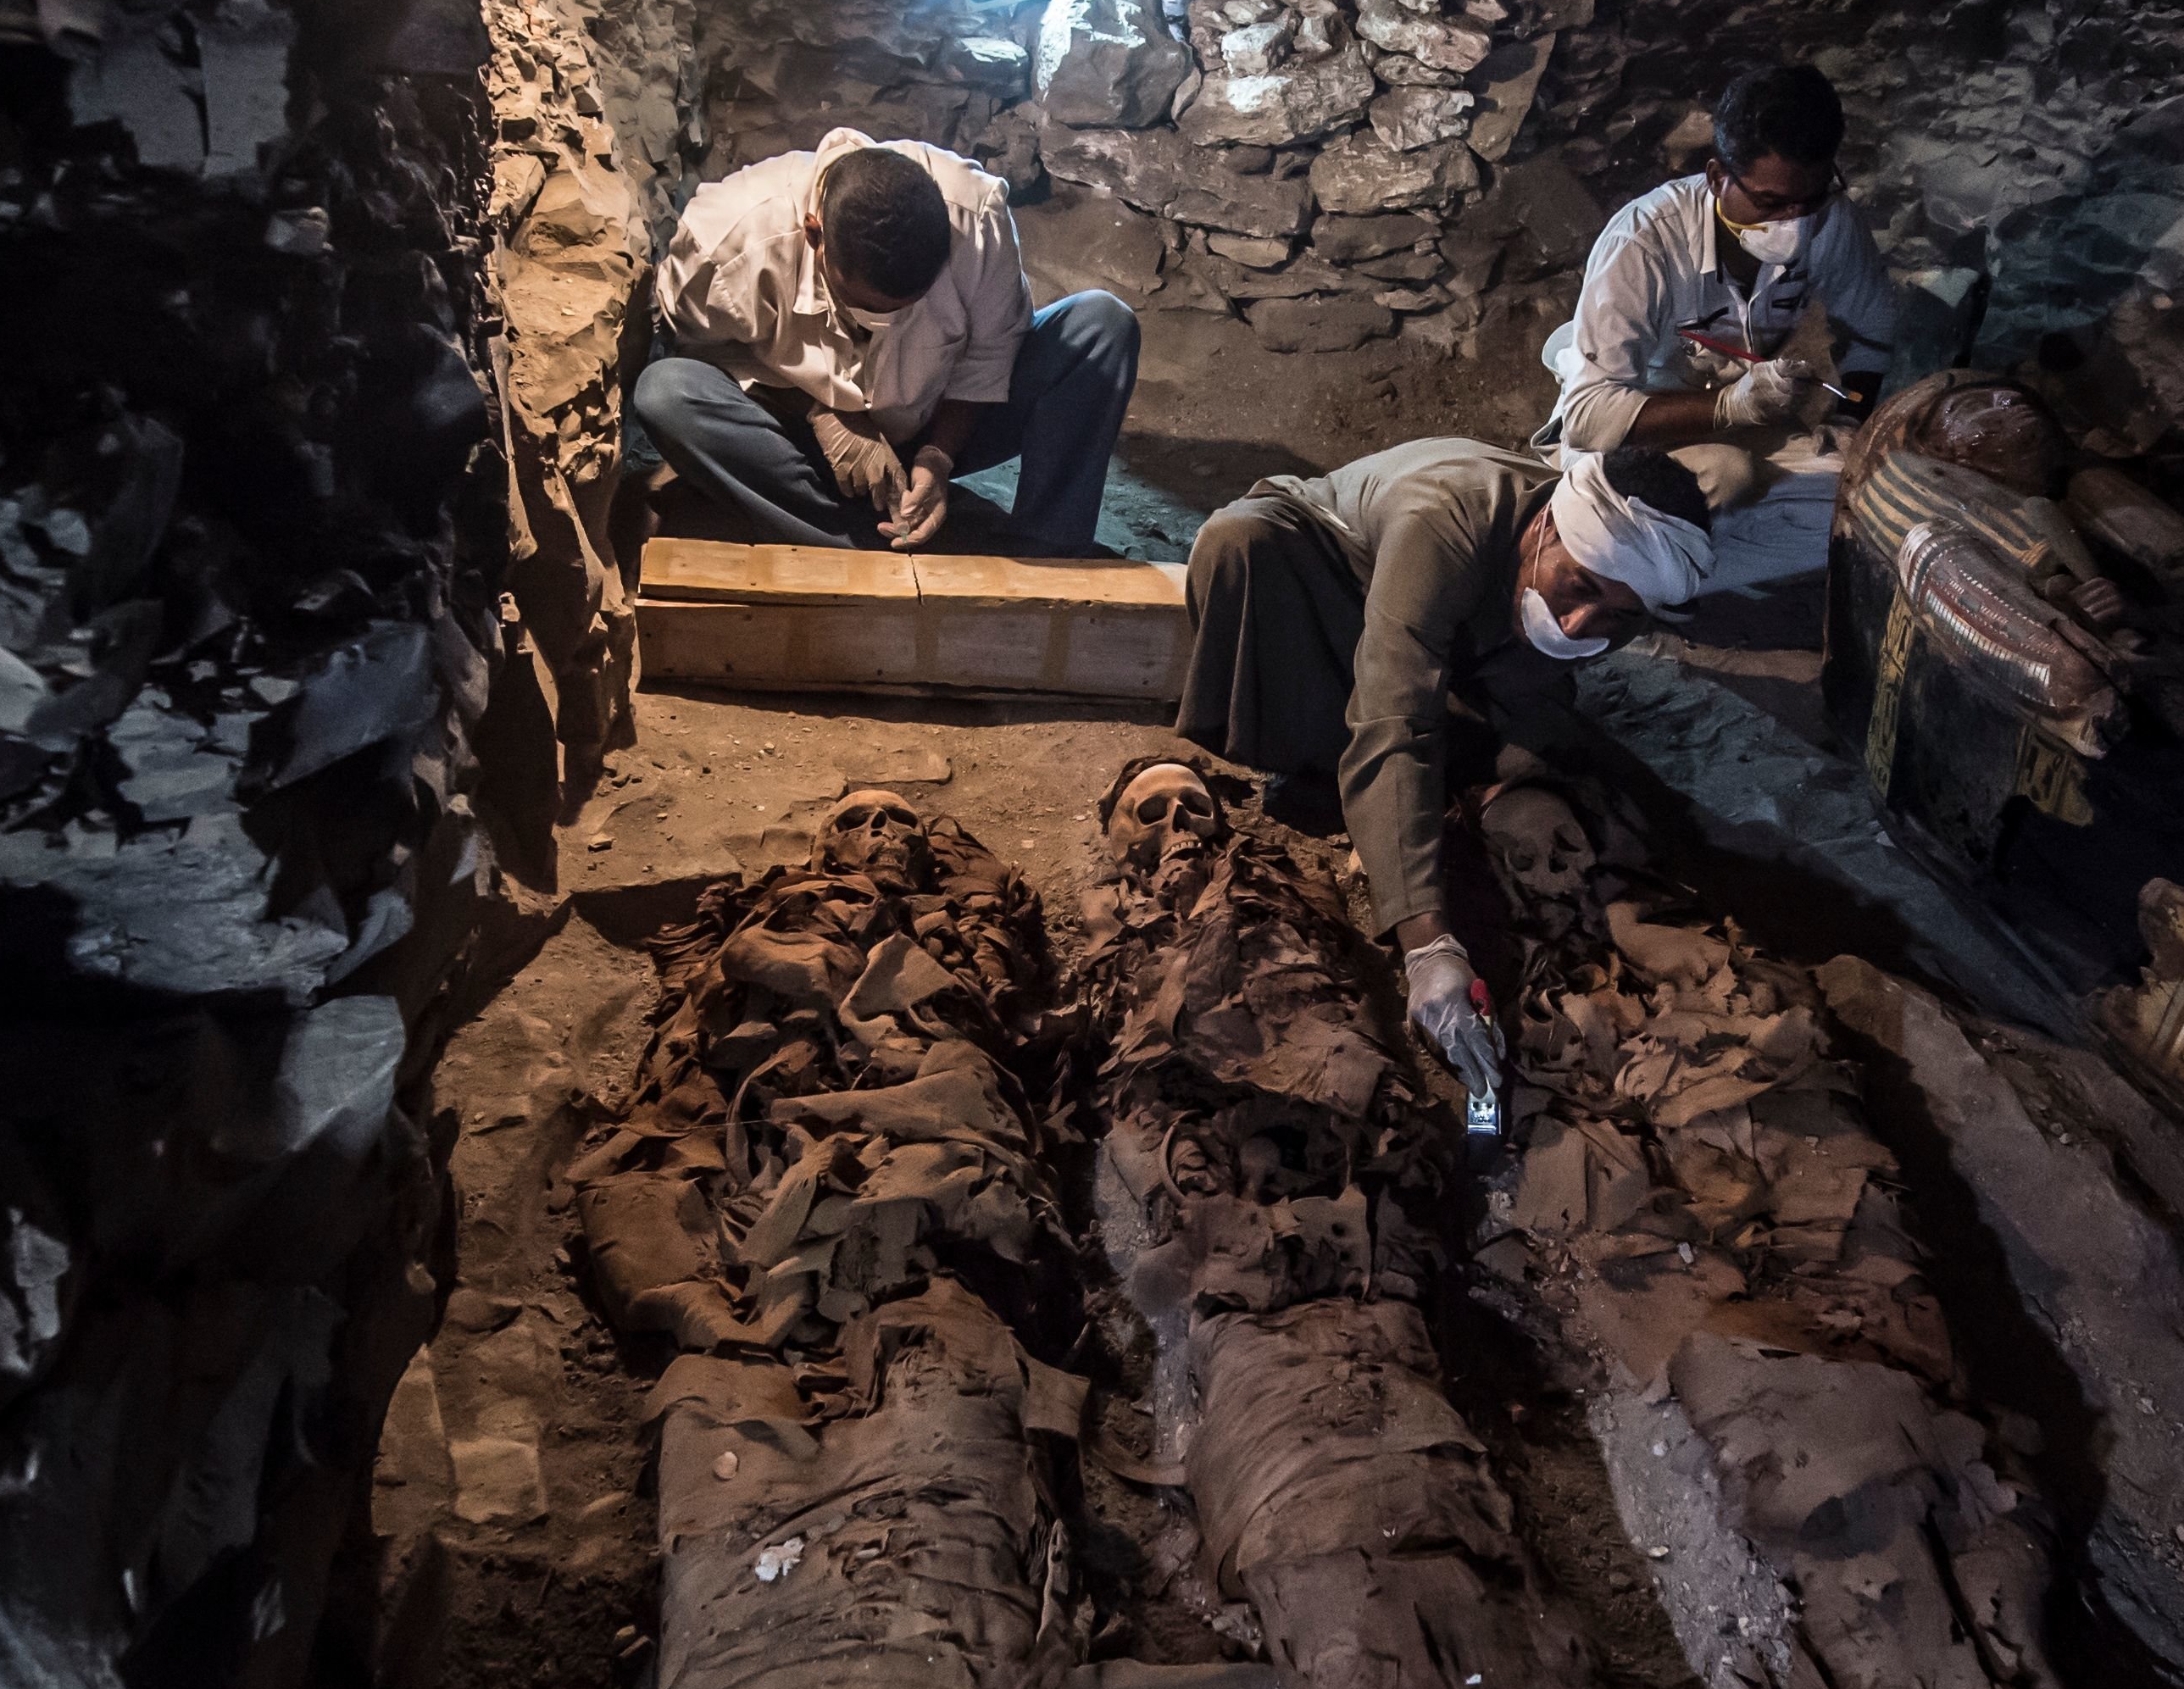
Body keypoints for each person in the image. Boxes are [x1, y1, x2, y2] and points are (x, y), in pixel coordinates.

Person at [1174, 435, 1716, 1103]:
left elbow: (1539, 682)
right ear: (1545, 526)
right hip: (1326, 572)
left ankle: (1454, 787)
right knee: (1245, 547)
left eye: (1618, 615)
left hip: (1476, 615)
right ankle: (1357, 772)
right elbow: (1393, 719)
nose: (1581, 625)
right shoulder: (1447, 520)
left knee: (1557, 750)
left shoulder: (1611, 584)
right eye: (1578, 588)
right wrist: (1428, 947)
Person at [635, 129, 1140, 554]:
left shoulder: (977, 216)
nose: (889, 323)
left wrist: (939, 457)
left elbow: (991, 355)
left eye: (909, 307)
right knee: (667, 393)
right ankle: (860, 538)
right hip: (803, 442)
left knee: (1101, 326)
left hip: (939, 420)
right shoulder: (726, 243)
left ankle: (1046, 550)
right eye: (870, 308)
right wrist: (828, 413)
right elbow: (703, 353)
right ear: (816, 237)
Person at [1532, 58, 1908, 592]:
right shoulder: (1644, 240)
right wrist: (1732, 406)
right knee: (1727, 474)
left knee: (1863, 500)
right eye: (1771, 203)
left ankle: (1659, 576)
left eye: (1811, 199)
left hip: (1737, 424)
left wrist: (1850, 425)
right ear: (1716, 177)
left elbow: (1871, 335)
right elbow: (1589, 417)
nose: (1793, 223)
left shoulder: (1830, 218)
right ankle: (1604, 551)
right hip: (1632, 434)